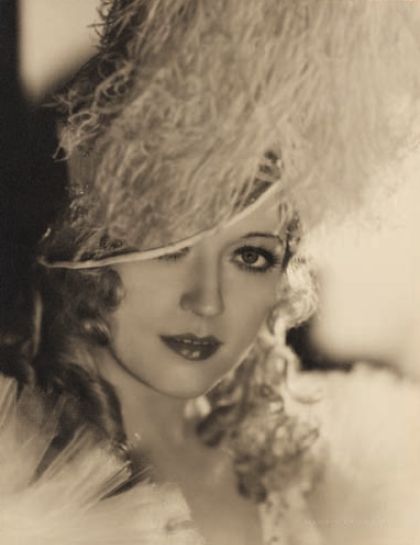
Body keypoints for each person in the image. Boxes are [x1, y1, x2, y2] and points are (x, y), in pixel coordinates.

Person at [2, 2, 420, 545]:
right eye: (167, 248)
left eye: (250, 257)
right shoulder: (18, 478)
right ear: (86, 246)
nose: (207, 301)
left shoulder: (333, 459)